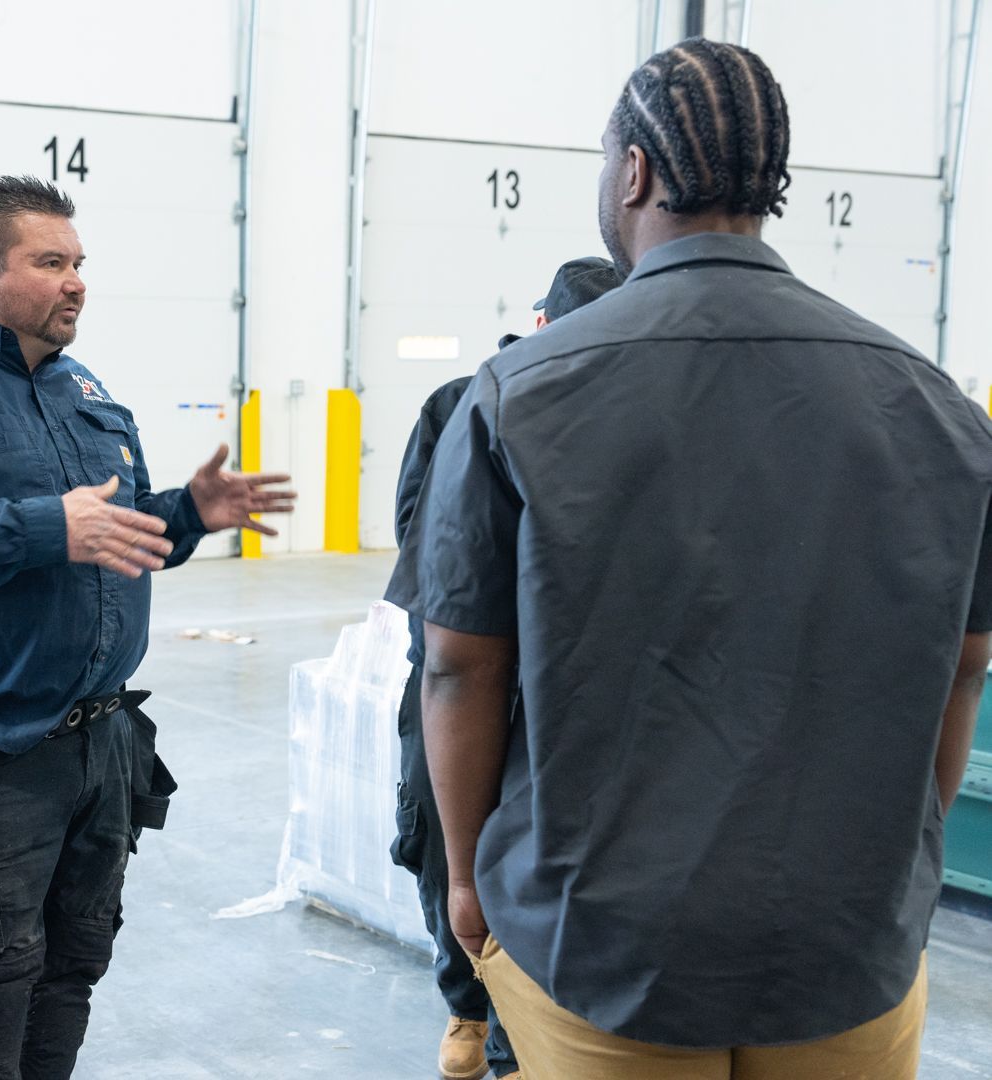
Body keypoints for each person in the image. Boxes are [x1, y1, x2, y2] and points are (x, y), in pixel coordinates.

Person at [386, 37, 992, 1080]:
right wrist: (901, 872)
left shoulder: (519, 394)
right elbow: (964, 665)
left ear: (633, 171)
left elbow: (458, 666)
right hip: (849, 938)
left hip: (604, 941)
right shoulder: (934, 403)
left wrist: (467, 882)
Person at [0, 175, 296, 1080]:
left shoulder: (84, 388)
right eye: (50, 262)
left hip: (98, 744)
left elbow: (117, 535)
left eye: (79, 263)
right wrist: (48, 527)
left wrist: (188, 513)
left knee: (74, 965)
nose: (76, 281)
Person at [392, 255, 621, 1080]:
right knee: (440, 843)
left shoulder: (618, 413)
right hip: (458, 669)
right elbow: (422, 542)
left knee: (537, 858)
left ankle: (514, 1040)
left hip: (561, 686)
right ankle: (465, 1005)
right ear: (539, 324)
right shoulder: (461, 405)